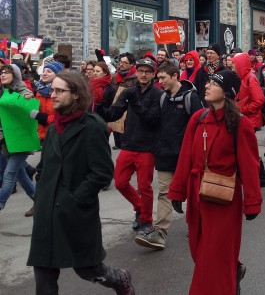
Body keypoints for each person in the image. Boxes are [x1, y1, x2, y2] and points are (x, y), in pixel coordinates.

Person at [27, 72, 135, 295]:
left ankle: (119, 279)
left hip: (75, 212)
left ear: (75, 95)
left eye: (59, 91)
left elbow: (102, 173)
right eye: (52, 90)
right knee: (44, 275)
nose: (53, 95)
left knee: (88, 268)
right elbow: (43, 166)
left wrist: (75, 199)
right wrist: (41, 195)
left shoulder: (92, 126)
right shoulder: (55, 125)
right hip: (47, 211)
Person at [168, 70, 261, 295]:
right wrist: (178, 190)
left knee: (212, 258)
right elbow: (185, 157)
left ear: (228, 92)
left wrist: (252, 202)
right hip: (197, 197)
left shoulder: (240, 124)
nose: (207, 86)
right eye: (208, 82)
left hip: (224, 202)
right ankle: (234, 270)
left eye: (213, 83)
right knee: (199, 252)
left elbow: (249, 167)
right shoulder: (198, 118)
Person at [134, 63, 202, 250]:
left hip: (185, 157)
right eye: (159, 78)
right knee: (164, 193)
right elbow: (156, 123)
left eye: (163, 78)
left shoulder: (191, 98)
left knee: (192, 193)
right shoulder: (163, 98)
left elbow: (200, 126)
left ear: (174, 76)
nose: (160, 82)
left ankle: (199, 225)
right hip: (165, 155)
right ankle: (160, 233)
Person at [97, 57, 163, 236]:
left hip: (147, 148)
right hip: (128, 145)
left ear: (153, 74)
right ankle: (139, 207)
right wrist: (99, 106)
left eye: (147, 72)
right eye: (140, 71)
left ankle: (147, 221)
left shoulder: (158, 94)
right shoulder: (128, 91)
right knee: (120, 183)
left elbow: (152, 119)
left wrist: (136, 104)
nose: (143, 74)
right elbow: (113, 114)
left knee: (145, 187)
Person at [0, 63, 36, 216]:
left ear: (14, 75)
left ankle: (0, 204)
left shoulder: (21, 89)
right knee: (20, 174)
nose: (2, 75)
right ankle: (38, 200)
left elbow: (28, 99)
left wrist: (28, 97)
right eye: (1, 72)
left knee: (9, 175)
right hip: (6, 140)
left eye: (6, 72)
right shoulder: (2, 91)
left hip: (21, 140)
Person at [231, 53, 265, 187]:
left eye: (234, 64)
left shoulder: (250, 79)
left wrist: (242, 110)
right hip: (244, 118)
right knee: (246, 149)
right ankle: (252, 176)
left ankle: (260, 177)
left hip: (250, 119)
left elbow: (259, 100)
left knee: (249, 149)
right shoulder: (242, 77)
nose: (232, 66)